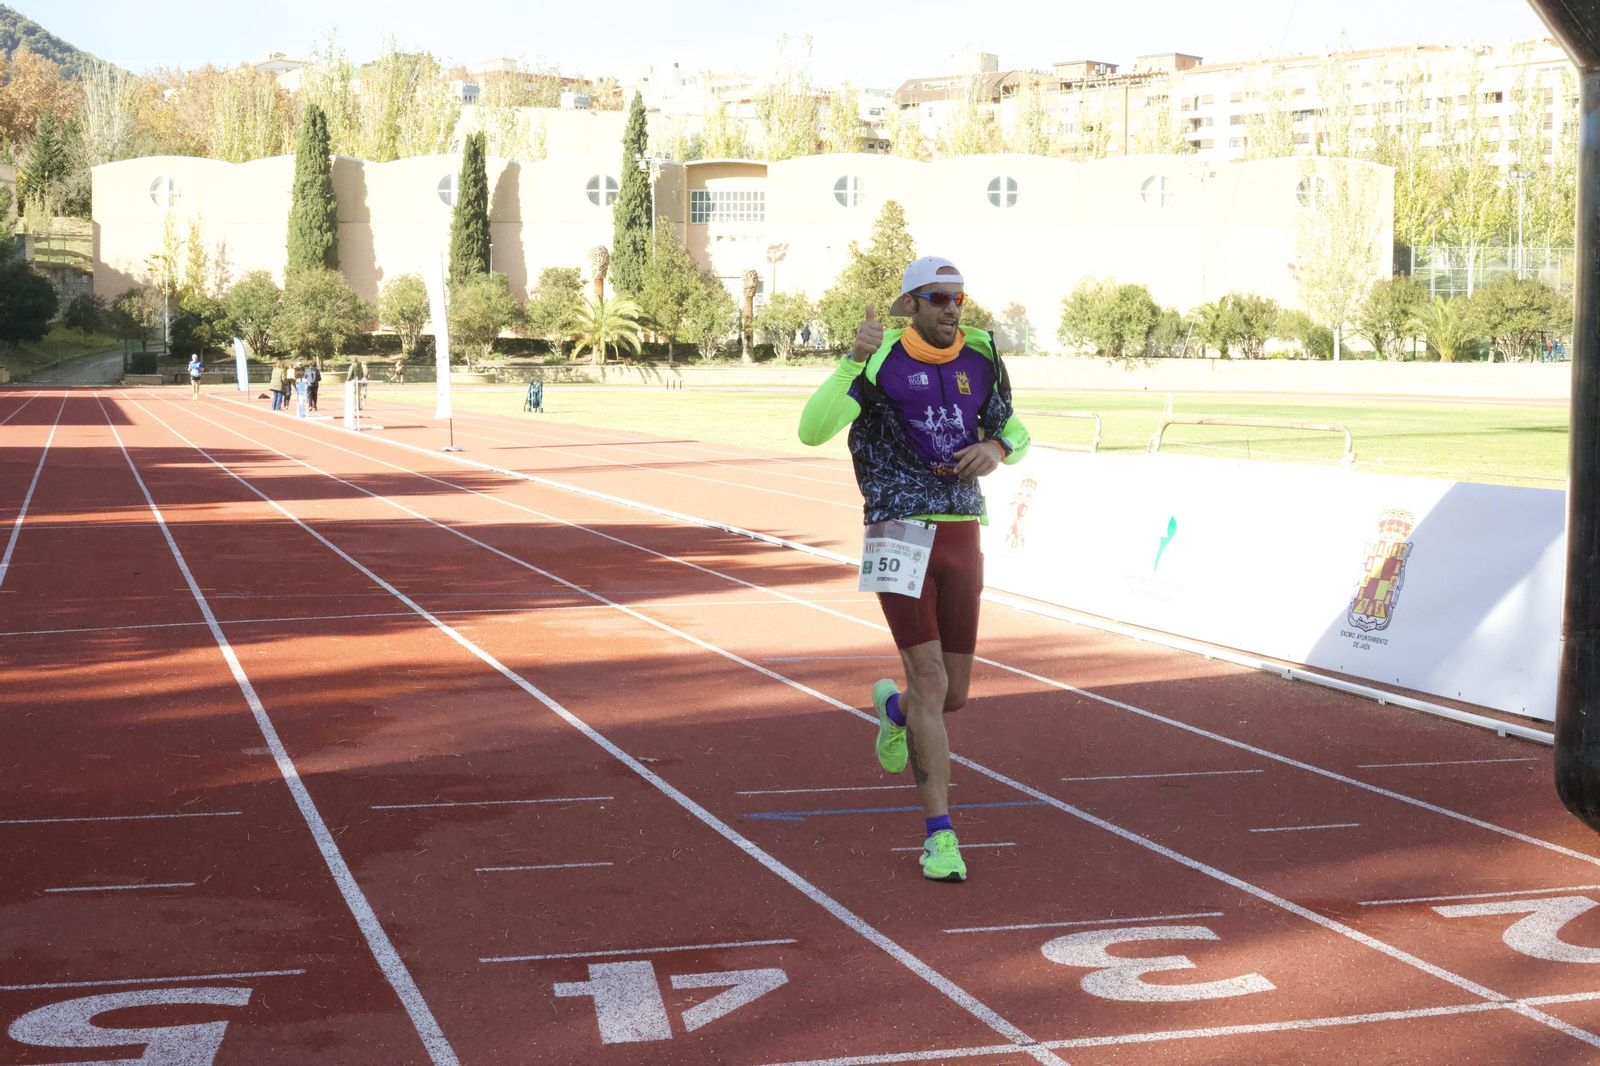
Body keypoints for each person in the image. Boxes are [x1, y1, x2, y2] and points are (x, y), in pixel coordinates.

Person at [797, 257, 1029, 883]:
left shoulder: (981, 357)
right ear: (909, 306)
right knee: (929, 679)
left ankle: (895, 712)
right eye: (936, 298)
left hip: (961, 532)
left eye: (958, 296)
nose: (951, 308)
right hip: (897, 528)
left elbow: (1015, 428)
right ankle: (940, 836)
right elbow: (811, 431)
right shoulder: (875, 361)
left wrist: (997, 447)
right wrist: (848, 360)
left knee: (951, 696)